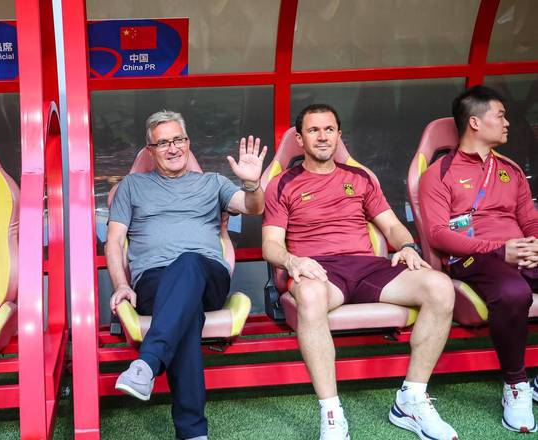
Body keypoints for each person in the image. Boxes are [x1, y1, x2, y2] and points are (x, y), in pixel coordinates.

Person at [262, 104, 458, 440]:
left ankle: (411, 399)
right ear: (300, 139)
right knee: (309, 293)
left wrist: (407, 247)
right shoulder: (282, 184)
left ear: (339, 135)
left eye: (329, 129)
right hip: (320, 270)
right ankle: (331, 412)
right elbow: (270, 245)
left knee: (440, 286)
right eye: (313, 130)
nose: (322, 137)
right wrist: (294, 262)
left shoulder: (360, 177)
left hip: (367, 268)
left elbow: (392, 226)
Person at [106, 110, 267, 440]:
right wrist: (121, 284)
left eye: (178, 139)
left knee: (189, 262)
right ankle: (193, 433)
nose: (173, 148)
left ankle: (148, 363)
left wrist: (252, 184)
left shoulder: (213, 183)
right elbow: (114, 241)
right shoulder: (131, 186)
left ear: (188, 142)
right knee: (186, 315)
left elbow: (254, 207)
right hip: (153, 281)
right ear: (150, 150)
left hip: (207, 276)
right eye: (163, 142)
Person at [419, 85, 538, 433]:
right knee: (513, 292)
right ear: (474, 122)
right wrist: (499, 249)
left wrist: (535, 244)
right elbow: (438, 234)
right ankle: (515, 384)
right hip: (473, 258)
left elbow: (530, 220)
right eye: (500, 115)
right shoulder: (439, 172)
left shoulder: (511, 170)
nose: (507, 122)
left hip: (520, 251)